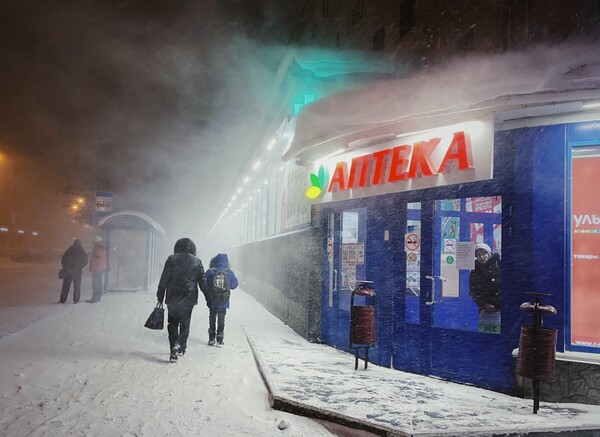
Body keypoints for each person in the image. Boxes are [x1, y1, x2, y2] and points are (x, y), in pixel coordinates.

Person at [157, 238, 204, 363]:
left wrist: (160, 295)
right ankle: (180, 346)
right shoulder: (197, 261)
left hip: (172, 296)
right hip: (189, 298)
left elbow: (164, 278)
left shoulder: (171, 259)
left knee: (172, 324)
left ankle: (173, 347)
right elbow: (202, 281)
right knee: (185, 323)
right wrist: (209, 296)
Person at [201, 253, 238, 347]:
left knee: (212, 317)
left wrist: (209, 293)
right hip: (223, 300)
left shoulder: (210, 271)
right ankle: (220, 340)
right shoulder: (229, 272)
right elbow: (234, 285)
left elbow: (204, 284)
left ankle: (211, 338)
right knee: (221, 319)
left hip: (212, 300)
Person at [469, 242, 501, 332]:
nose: (482, 257)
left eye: (484, 253)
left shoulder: (498, 266)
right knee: (485, 333)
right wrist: (483, 304)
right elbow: (473, 290)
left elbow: (503, 287)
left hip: (499, 308)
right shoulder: (475, 270)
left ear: (489, 253)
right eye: (478, 255)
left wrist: (496, 304)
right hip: (484, 309)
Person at [59, 239, 88, 304]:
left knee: (65, 286)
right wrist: (79, 267)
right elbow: (85, 262)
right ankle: (76, 299)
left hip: (68, 271)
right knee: (77, 286)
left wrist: (65, 267)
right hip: (77, 272)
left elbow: (63, 259)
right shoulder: (82, 252)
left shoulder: (69, 250)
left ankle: (63, 300)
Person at [87, 236, 107, 303]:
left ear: (96, 242)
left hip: (97, 268)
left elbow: (98, 257)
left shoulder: (98, 248)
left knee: (95, 283)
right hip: (99, 268)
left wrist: (93, 259)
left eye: (93, 241)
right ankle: (97, 297)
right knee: (98, 283)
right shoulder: (101, 247)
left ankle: (95, 298)